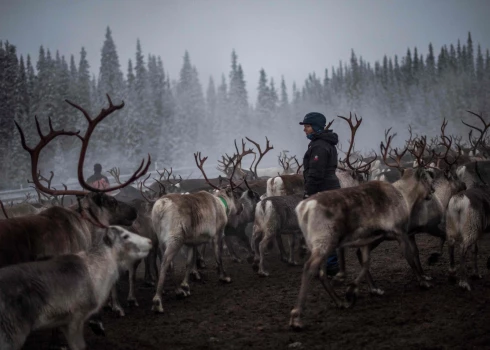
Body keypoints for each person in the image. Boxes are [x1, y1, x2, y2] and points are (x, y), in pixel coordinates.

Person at [299, 112, 341, 276]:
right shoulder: (323, 143)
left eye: (307, 127)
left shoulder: (319, 146)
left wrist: (308, 194)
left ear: (315, 127)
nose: (305, 130)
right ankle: (329, 263)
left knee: (323, 228)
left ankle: (330, 265)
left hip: (323, 192)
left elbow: (316, 173)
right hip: (329, 189)